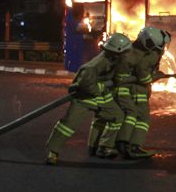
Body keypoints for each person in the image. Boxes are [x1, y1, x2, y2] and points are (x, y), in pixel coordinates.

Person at [44, 33, 131, 165]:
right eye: (125, 52)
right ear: (117, 52)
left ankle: (103, 147)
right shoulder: (93, 67)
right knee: (68, 125)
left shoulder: (115, 60)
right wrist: (104, 86)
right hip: (84, 98)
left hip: (102, 96)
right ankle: (52, 152)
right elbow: (87, 86)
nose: (127, 54)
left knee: (117, 116)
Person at [113, 26, 172, 158]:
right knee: (142, 118)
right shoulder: (152, 53)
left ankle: (122, 143)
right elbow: (142, 70)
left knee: (132, 115)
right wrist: (151, 78)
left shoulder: (135, 49)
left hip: (132, 87)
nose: (164, 47)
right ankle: (132, 146)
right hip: (138, 88)